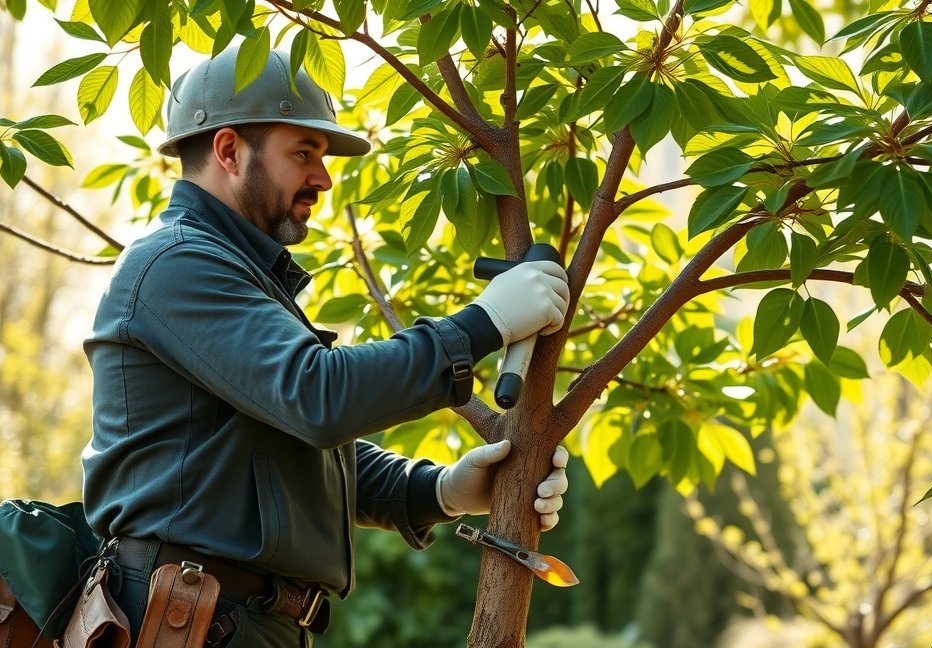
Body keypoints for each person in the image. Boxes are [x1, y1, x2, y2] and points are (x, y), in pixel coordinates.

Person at [81, 46, 572, 647]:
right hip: (185, 619)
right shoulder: (176, 266)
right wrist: (481, 324)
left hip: (229, 621)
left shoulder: (240, 273)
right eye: (303, 152)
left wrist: (438, 490)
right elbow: (319, 396)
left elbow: (284, 446)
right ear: (229, 151)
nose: (323, 177)